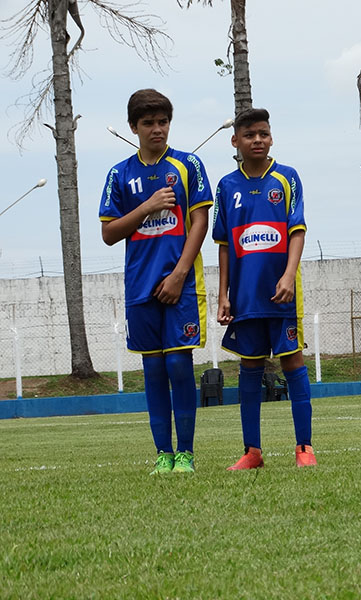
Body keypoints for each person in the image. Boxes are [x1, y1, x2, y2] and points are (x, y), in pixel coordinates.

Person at [100, 89, 212, 474]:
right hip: (140, 286)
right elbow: (109, 233)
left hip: (181, 284)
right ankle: (163, 454)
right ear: (134, 127)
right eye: (148, 123)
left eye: (163, 122)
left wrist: (179, 274)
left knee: (179, 364)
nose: (157, 129)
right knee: (153, 370)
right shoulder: (119, 174)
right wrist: (146, 207)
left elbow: (200, 222)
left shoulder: (188, 165)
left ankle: (186, 454)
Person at [213, 108, 316, 470]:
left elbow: (297, 231)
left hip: (282, 293)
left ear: (271, 138)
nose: (258, 140)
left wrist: (288, 275)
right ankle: (252, 452)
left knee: (292, 361)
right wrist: (223, 294)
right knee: (250, 366)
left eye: (264, 134)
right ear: (235, 141)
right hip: (245, 296)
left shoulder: (287, 178)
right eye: (250, 135)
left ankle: (304, 448)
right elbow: (224, 245)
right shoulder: (227, 186)